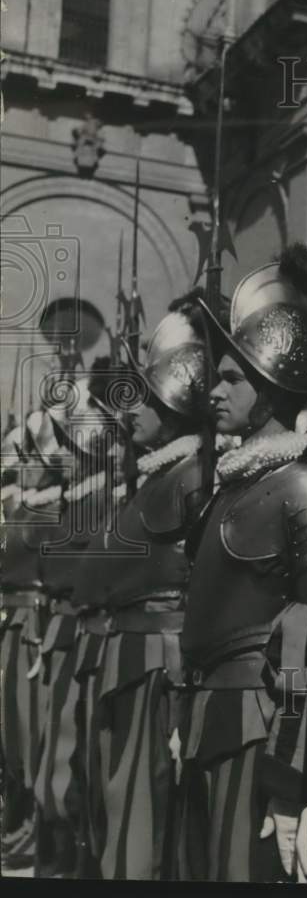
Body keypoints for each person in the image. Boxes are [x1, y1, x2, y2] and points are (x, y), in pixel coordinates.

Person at [174, 245, 307, 883]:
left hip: (258, 724)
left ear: (271, 386)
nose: (213, 391)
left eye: (233, 379)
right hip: (210, 713)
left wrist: (289, 771)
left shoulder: (300, 484)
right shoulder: (235, 481)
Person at [70, 296, 211, 879]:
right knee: (116, 816)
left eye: (144, 397)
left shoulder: (195, 477)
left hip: (160, 670)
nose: (128, 410)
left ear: (175, 400)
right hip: (126, 661)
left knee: (146, 832)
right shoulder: (155, 474)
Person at [31, 364, 123, 878]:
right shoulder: (82, 493)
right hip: (70, 630)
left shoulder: (108, 493)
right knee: (58, 768)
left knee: (81, 773)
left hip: (95, 636)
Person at [0, 411, 64, 870]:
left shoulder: (56, 507)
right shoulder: (18, 505)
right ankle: (19, 818)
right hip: (13, 623)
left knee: (34, 730)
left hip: (36, 624)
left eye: (30, 455)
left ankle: (37, 827)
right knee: (12, 729)